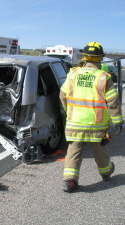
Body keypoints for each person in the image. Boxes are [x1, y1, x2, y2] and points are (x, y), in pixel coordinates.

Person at [60, 42, 124, 193]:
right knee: (100, 150)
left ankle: (70, 181)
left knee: (73, 152)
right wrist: (118, 121)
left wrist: (68, 112)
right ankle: (106, 173)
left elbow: (63, 96)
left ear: (84, 57)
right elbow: (113, 102)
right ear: (100, 59)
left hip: (74, 123)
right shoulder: (103, 77)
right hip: (97, 126)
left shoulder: (73, 74)